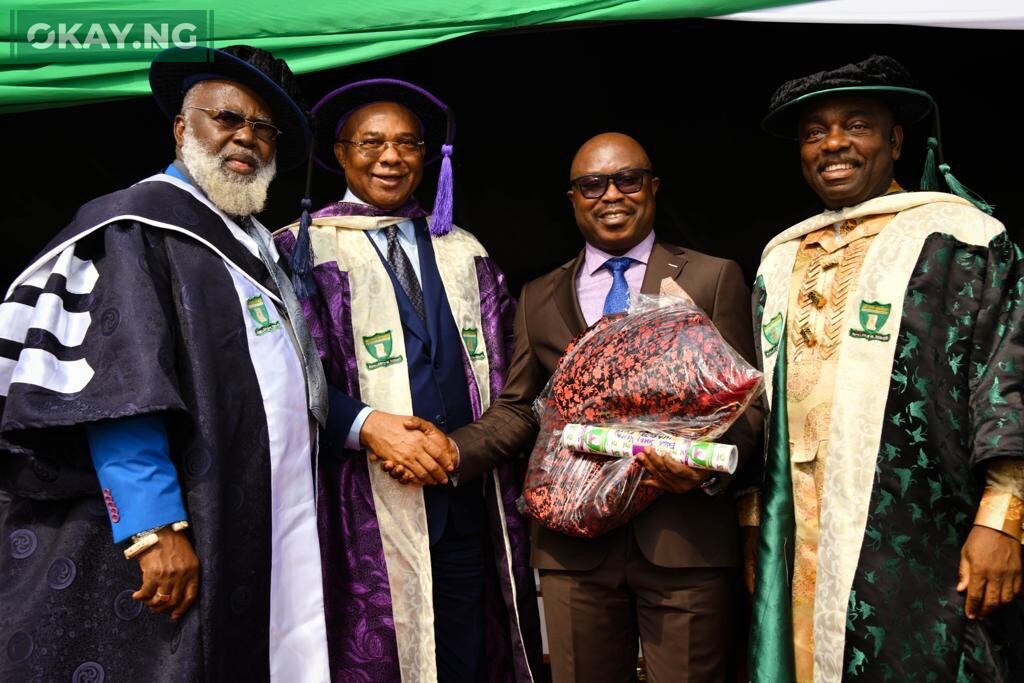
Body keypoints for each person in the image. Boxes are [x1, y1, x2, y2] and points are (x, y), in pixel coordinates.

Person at [0, 45, 332, 681]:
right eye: (226, 118)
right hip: (183, 519)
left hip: (267, 511)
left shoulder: (255, 241)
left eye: (264, 128)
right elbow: (117, 385)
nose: (246, 138)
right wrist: (153, 527)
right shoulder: (137, 224)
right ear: (182, 128)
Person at [449, 132, 763, 682]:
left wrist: (706, 463)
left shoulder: (713, 277)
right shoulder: (538, 295)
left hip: (683, 538)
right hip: (575, 550)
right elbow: (524, 408)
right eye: (592, 184)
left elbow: (748, 405)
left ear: (653, 187)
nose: (611, 194)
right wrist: (451, 449)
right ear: (572, 197)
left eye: (627, 179)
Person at [750, 55, 1024, 682]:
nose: (834, 143)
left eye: (856, 126)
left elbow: (1007, 379)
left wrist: (1003, 521)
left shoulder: (964, 240)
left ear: (896, 140)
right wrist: (753, 529)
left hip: (923, 534)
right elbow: (762, 407)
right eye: (814, 132)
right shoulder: (780, 258)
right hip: (800, 540)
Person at [274, 79, 541, 682]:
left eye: (406, 143)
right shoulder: (296, 251)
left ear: (429, 156)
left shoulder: (463, 249)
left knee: (468, 652)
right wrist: (367, 429)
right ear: (339, 154)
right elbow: (282, 376)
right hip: (357, 510)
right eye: (370, 143)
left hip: (464, 501)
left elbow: (511, 378)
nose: (390, 157)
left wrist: (464, 450)